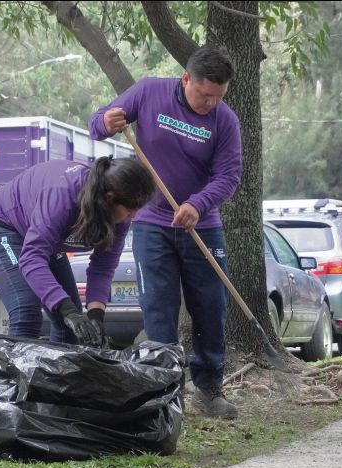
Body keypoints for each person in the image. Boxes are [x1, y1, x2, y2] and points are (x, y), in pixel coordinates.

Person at [88, 45, 242, 419]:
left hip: (201, 226)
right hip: (151, 224)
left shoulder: (225, 120)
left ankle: (209, 388)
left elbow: (228, 177)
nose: (210, 103)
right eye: (204, 94)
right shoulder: (149, 91)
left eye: (218, 97)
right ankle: (165, 391)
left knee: (210, 307)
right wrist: (106, 123)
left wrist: (197, 204)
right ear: (185, 78)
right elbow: (97, 123)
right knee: (158, 308)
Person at [0, 156, 155, 347]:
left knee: (71, 326)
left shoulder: (119, 218)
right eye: (131, 209)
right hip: (1, 227)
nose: (133, 216)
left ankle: (57, 377)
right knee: (26, 311)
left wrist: (95, 316)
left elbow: (103, 267)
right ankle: (13, 376)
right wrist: (68, 310)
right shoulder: (62, 195)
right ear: (109, 198)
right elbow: (32, 258)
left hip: (41, 239)